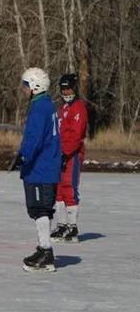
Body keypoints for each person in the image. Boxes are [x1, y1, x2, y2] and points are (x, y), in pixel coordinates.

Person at [12, 68, 62, 273]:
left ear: (35, 86)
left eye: (26, 85)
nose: (23, 89)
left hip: (41, 167)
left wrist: (23, 156)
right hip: (45, 166)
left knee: (39, 208)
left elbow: (34, 137)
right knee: (41, 208)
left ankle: (46, 252)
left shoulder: (40, 107)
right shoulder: (46, 104)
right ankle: (43, 248)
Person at [52, 73, 88, 243]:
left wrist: (66, 153)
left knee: (69, 187)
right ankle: (62, 224)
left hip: (71, 155)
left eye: (69, 89)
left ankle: (72, 227)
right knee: (58, 189)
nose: (66, 92)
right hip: (59, 154)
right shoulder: (62, 108)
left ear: (75, 88)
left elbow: (75, 134)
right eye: (63, 89)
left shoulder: (78, 108)